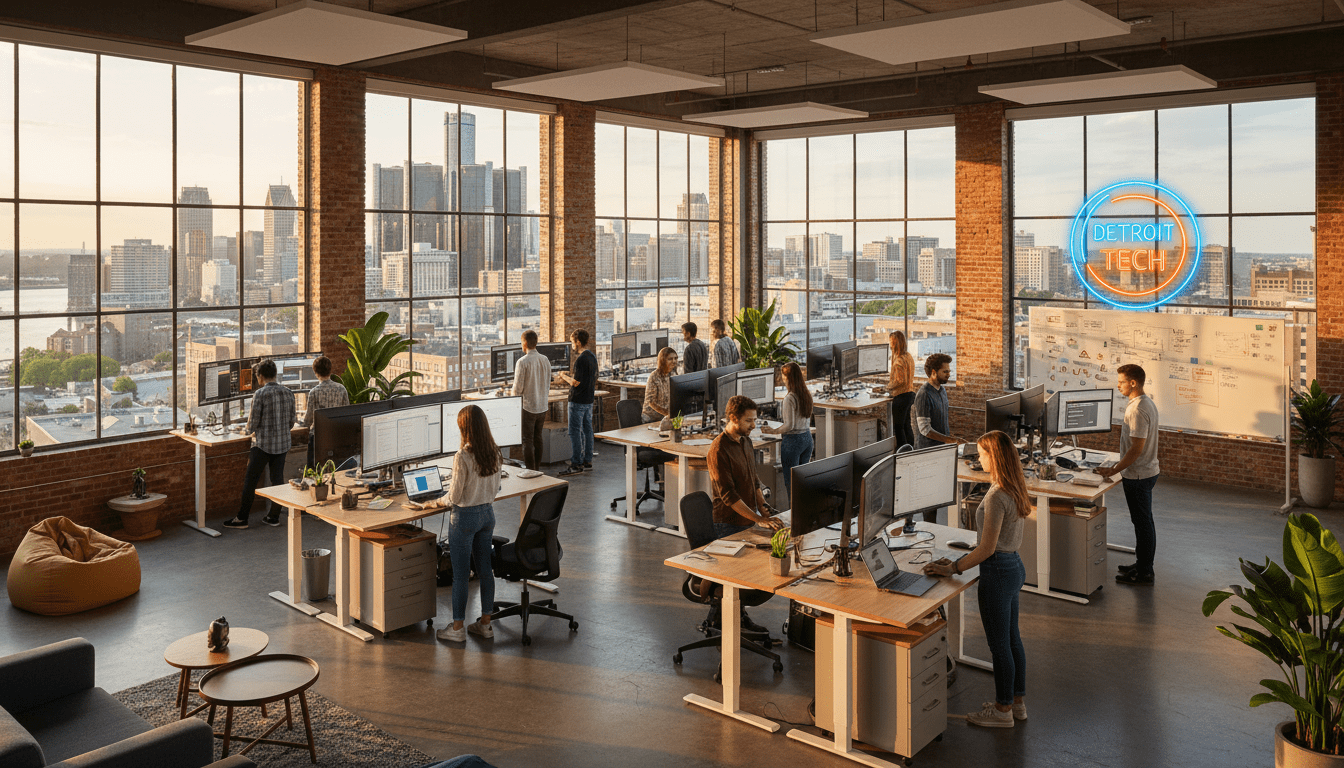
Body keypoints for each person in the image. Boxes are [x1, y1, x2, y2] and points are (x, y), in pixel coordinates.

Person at [923, 429, 1028, 728]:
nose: (977, 459)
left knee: (999, 646)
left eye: (981, 454)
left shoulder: (996, 496)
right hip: (1014, 566)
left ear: (994, 457)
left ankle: (1002, 711)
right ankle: (1017, 703)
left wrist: (953, 568)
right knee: (1013, 640)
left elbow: (987, 549)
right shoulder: (1014, 486)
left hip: (997, 572)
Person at [437, 405, 498, 643]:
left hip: (465, 518)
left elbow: (454, 496)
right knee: (485, 571)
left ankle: (457, 629)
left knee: (461, 576)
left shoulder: (462, 456)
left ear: (465, 428)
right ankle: (485, 625)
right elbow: (495, 487)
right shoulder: (495, 452)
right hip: (487, 515)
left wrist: (434, 502)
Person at [1096, 363, 1160, 586]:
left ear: (1133, 383)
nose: (1118, 385)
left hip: (1138, 475)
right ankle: (1142, 564)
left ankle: (1145, 573)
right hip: (1148, 471)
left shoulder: (1137, 410)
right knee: (1144, 522)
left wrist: (1114, 470)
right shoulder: (1146, 402)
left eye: (1121, 382)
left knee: (1143, 524)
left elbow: (1136, 449)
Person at [223, 359, 297, 530]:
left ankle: (242, 518)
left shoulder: (260, 394)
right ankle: (273, 517)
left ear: (260, 376)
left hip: (262, 445)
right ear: (275, 374)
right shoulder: (288, 392)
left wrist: (243, 430)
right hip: (282, 444)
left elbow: (252, 425)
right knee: (277, 480)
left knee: (251, 481)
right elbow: (292, 422)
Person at [707, 395, 781, 540]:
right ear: (733, 418)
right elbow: (729, 496)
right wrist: (759, 519)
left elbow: (754, 479)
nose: (753, 425)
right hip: (729, 524)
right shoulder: (718, 450)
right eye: (748, 421)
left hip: (749, 518)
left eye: (754, 420)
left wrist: (764, 508)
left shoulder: (746, 441)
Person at [763, 362, 813, 500]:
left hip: (793, 442)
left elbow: (789, 426)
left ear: (786, 378)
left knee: (791, 485)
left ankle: (793, 512)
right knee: (802, 481)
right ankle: (803, 511)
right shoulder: (806, 394)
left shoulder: (789, 398)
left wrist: (772, 431)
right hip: (807, 439)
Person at [556, 329, 597, 477]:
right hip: (588, 400)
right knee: (587, 430)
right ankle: (587, 460)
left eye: (572, 342)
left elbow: (575, 382)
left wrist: (563, 376)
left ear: (578, 342)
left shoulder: (580, 359)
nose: (572, 345)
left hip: (577, 401)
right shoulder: (592, 357)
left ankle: (576, 464)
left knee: (574, 432)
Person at [511, 330, 551, 471]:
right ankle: (536, 470)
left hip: (528, 407)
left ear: (524, 343)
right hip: (542, 406)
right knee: (538, 438)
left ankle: (529, 470)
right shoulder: (545, 360)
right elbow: (548, 383)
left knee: (527, 440)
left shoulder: (522, 362)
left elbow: (518, 389)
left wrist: (510, 396)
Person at [303, 355, 350, 470]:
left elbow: (308, 419)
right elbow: (347, 413)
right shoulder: (341, 389)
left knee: (313, 470)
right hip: (337, 436)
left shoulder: (314, 392)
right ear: (330, 370)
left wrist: (303, 424)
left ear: (315, 372)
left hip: (319, 438)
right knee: (337, 469)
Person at [876, 330, 916, 449]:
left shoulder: (899, 361)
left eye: (891, 342)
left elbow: (899, 380)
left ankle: (901, 451)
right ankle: (911, 449)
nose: (890, 345)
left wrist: (885, 388)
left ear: (895, 344)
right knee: (907, 424)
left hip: (901, 396)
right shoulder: (908, 356)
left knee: (898, 427)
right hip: (910, 394)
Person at [913, 353, 959, 449]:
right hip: (928, 450)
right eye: (945, 371)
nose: (949, 374)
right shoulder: (924, 394)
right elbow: (925, 429)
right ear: (934, 373)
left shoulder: (942, 391)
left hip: (942, 447)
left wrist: (950, 439)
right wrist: (950, 440)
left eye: (949, 371)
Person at [642, 347, 678, 424]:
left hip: (665, 418)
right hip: (650, 418)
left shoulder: (673, 374)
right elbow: (651, 402)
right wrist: (668, 413)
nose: (674, 361)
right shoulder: (654, 376)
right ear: (662, 360)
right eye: (670, 359)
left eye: (675, 358)